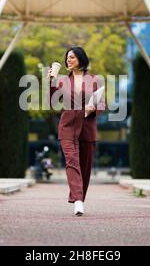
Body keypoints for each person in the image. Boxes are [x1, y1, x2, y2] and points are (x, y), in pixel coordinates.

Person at [47, 46, 106, 216]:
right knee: (72, 162)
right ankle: (78, 201)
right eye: (67, 58)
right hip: (67, 127)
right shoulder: (62, 81)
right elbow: (52, 102)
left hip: (87, 128)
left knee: (85, 169)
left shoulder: (95, 80)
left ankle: (80, 197)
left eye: (72, 57)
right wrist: (50, 80)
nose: (68, 60)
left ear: (81, 59)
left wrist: (93, 108)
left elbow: (102, 104)